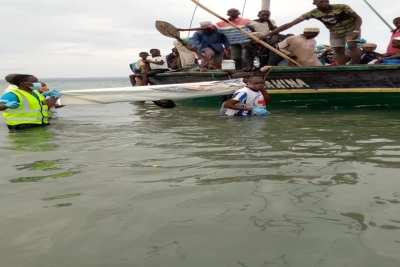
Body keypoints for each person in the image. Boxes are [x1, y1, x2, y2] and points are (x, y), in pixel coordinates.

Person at [265, 0, 362, 65]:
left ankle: (358, 67)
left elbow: (357, 18)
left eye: (326, 1)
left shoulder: (342, 7)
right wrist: (267, 35)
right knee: (338, 50)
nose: (325, 3)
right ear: (315, 3)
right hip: (334, 32)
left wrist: (356, 30)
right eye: (321, 1)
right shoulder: (313, 13)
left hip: (351, 29)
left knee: (352, 45)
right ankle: (343, 69)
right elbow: (290, 24)